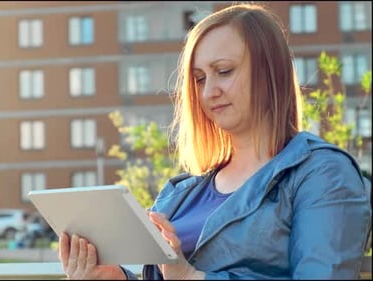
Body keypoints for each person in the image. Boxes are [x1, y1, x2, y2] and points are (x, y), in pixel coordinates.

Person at [57, 3, 372, 279]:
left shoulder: (323, 174)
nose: (208, 92)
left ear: (269, 72)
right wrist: (111, 277)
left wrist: (192, 278)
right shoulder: (179, 194)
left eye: (223, 71)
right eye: (199, 79)